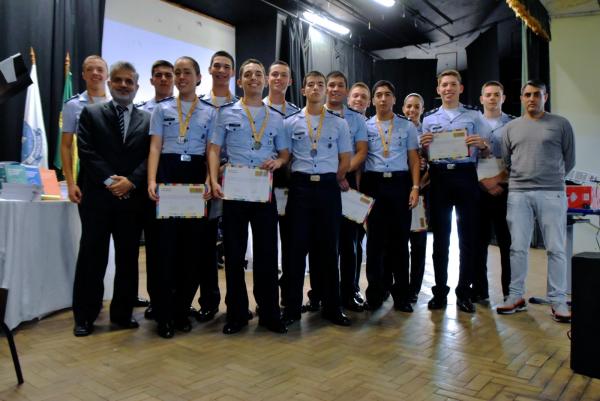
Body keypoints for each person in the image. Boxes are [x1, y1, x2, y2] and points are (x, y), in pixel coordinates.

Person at [209, 58, 289, 335]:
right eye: (247, 75)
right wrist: (212, 178)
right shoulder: (225, 113)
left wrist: (278, 163)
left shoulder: (276, 118)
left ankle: (269, 312)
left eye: (258, 74)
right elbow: (213, 150)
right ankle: (237, 313)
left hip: (263, 190)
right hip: (234, 190)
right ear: (239, 81)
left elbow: (285, 153)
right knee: (233, 254)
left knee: (267, 254)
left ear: (265, 81)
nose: (253, 78)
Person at [72, 61, 150, 337]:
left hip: (131, 199)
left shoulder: (147, 119)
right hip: (97, 198)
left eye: (129, 81)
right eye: (118, 80)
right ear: (110, 83)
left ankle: (122, 314)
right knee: (92, 257)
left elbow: (148, 158)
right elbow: (87, 152)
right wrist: (111, 181)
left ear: (137, 86)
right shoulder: (90, 113)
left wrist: (132, 181)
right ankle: (84, 316)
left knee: (129, 259)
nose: (124, 85)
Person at [147, 56, 215, 338]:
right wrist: (151, 180)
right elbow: (155, 147)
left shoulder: (211, 112)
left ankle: (182, 310)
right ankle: (163, 314)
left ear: (198, 77)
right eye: (178, 73)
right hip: (168, 173)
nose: (181, 77)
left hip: (196, 176)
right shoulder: (161, 110)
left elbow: (212, 149)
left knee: (191, 250)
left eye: (187, 72)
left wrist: (211, 177)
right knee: (165, 250)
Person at [497, 79, 575, 323]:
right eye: (527, 94)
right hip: (518, 193)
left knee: (556, 249)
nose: (532, 98)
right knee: (517, 248)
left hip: (552, 192)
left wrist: (551, 178)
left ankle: (558, 300)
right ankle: (516, 296)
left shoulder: (561, 124)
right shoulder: (511, 128)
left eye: (537, 94)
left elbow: (569, 159)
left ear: (545, 97)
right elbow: (507, 160)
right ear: (521, 98)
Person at [282, 70, 352, 326]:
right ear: (303, 90)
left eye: (319, 85)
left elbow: (345, 159)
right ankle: (291, 308)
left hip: (327, 189)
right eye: (310, 84)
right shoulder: (290, 122)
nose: (315, 88)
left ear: (325, 91)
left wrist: (333, 177)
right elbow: (285, 158)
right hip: (300, 189)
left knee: (328, 250)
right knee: (295, 250)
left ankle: (332, 307)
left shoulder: (339, 123)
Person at [420, 69, 491, 314]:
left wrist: (482, 145)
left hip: (465, 175)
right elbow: (426, 156)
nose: (448, 88)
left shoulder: (473, 115)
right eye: (444, 85)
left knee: (467, 237)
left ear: (460, 88)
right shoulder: (428, 119)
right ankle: (439, 292)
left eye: (453, 84)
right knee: (440, 238)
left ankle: (464, 292)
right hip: (439, 177)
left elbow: (486, 150)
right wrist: (425, 148)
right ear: (438, 90)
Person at [362, 81, 420, 312]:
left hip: (399, 184)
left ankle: (402, 296)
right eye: (378, 95)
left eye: (387, 95)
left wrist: (415, 187)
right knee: (374, 244)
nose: (383, 99)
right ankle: (375, 294)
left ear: (395, 99)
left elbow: (414, 159)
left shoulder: (407, 127)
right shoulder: (365, 127)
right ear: (373, 100)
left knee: (399, 243)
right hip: (373, 184)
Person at [311, 71, 367, 312]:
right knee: (320, 242)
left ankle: (350, 291)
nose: (334, 89)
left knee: (349, 242)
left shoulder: (357, 119)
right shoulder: (313, 115)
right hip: (320, 185)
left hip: (346, 185)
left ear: (346, 91)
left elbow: (361, 151)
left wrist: (342, 174)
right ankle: (319, 293)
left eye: (339, 86)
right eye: (330, 85)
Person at [193, 50, 238, 323]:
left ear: (233, 73)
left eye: (226, 67)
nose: (221, 71)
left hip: (237, 181)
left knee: (233, 245)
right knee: (205, 244)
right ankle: (208, 301)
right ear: (209, 70)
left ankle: (236, 304)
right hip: (206, 184)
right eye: (217, 66)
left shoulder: (244, 105)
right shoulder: (198, 105)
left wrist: (226, 166)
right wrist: (211, 172)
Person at [135, 60, 175, 321]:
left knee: (179, 248)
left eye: (167, 75)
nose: (163, 79)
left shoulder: (187, 109)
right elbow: (144, 151)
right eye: (158, 75)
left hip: (181, 185)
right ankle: (156, 300)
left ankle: (178, 300)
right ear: (151, 80)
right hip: (153, 187)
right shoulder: (142, 112)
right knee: (156, 249)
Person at [262, 60, 299, 309]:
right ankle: (266, 299)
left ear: (290, 81)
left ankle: (287, 296)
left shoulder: (298, 113)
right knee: (265, 245)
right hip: (259, 183)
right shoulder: (254, 108)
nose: (278, 78)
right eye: (274, 74)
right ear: (267, 79)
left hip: (290, 184)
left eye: (283, 75)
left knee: (290, 243)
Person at [473, 81, 514, 303]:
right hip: (478, 190)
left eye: (496, 94)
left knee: (507, 243)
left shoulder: (514, 124)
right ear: (481, 99)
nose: (492, 98)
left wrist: (498, 181)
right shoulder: (471, 122)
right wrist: (483, 182)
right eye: (487, 94)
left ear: (503, 98)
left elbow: (518, 158)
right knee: (479, 243)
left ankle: (510, 291)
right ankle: (480, 290)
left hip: (505, 189)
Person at [61, 55, 109, 204]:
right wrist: (70, 183)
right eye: (90, 69)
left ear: (107, 75)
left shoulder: (119, 103)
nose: (95, 72)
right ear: (83, 75)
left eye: (100, 69)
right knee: (91, 226)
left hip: (116, 176)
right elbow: (65, 146)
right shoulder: (72, 105)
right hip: (88, 177)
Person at [402, 93, 429, 303]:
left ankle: (413, 289)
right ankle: (396, 285)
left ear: (422, 109)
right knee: (396, 242)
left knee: (418, 243)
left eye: (416, 107)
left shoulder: (428, 133)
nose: (412, 110)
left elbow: (435, 162)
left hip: (421, 193)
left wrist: (420, 180)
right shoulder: (397, 128)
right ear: (403, 108)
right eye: (409, 107)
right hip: (398, 191)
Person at [347, 81, 371, 303]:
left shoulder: (373, 126)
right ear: (348, 97)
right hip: (342, 185)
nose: (359, 100)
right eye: (356, 96)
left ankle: (353, 288)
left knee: (355, 242)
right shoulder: (335, 120)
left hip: (364, 192)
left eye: (364, 97)